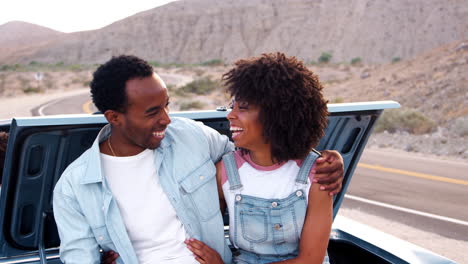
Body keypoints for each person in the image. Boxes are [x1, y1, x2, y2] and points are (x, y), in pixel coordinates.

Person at [54, 55, 344, 264]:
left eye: (167, 106)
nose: (167, 119)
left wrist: (327, 159)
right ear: (114, 118)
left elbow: (262, 158)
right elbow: (79, 256)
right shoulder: (75, 187)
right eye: (152, 112)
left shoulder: (190, 136)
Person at [186, 52, 333, 264]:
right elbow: (199, 230)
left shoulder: (317, 175)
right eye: (232, 106)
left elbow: (310, 260)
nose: (230, 115)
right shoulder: (224, 171)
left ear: (277, 114)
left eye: (243, 107)